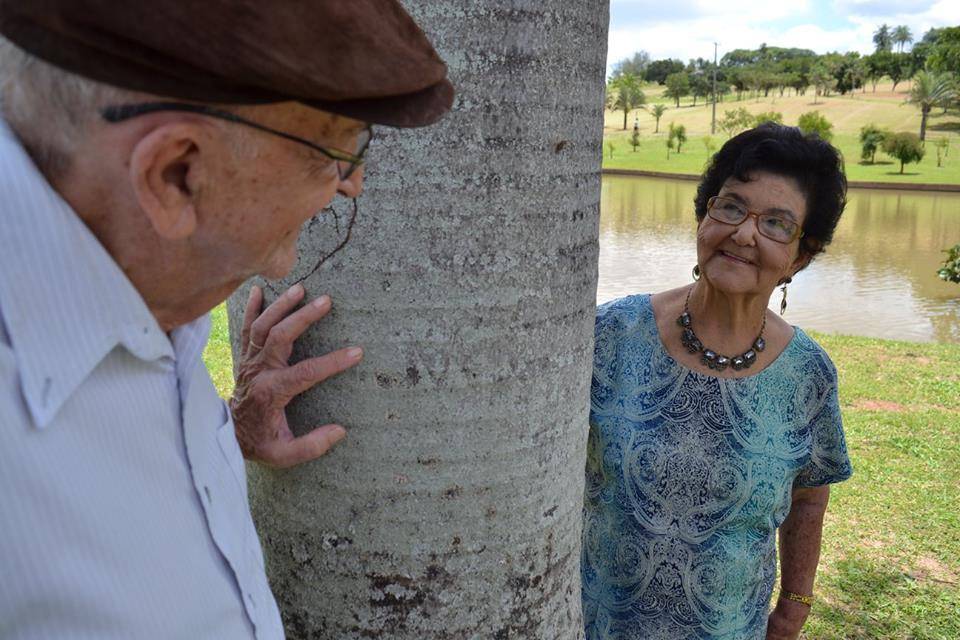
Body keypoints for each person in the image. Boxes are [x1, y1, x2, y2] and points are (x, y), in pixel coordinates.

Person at [0, 2, 452, 638]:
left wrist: (223, 437)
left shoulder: (141, 285)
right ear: (176, 175)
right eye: (332, 150)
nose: (351, 184)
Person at [581, 124, 853, 640]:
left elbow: (810, 496)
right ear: (704, 215)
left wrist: (793, 610)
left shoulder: (808, 374)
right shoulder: (612, 333)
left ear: (800, 257)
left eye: (776, 223)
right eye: (730, 207)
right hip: (593, 623)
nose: (744, 233)